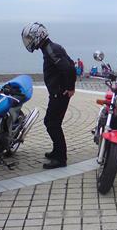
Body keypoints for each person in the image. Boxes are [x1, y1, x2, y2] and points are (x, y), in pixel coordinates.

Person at [21, 22, 76, 169]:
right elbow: (69, 65)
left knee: (52, 124)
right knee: (51, 123)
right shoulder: (50, 48)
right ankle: (57, 151)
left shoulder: (52, 50)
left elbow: (69, 69)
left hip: (60, 94)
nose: (29, 41)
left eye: (30, 38)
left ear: (38, 36)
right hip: (57, 93)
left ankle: (61, 158)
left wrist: (70, 88)